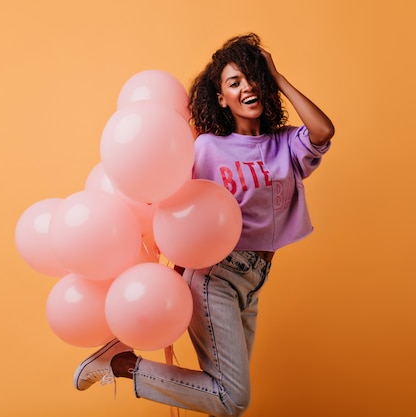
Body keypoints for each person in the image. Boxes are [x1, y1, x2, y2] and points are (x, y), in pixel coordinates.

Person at [72, 33, 335, 417]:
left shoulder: (285, 144)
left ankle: (119, 360)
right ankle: (121, 365)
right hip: (216, 276)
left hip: (254, 280)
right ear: (221, 98)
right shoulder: (208, 147)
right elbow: (178, 210)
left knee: (222, 394)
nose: (247, 87)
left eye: (253, 78)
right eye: (234, 82)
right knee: (232, 399)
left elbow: (323, 132)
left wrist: (276, 75)